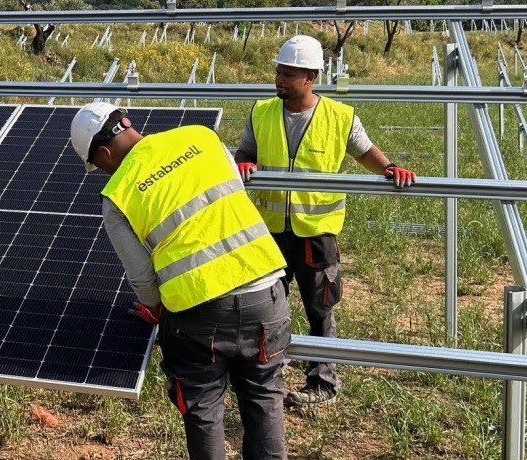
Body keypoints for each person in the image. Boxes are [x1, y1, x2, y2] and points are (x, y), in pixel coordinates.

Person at [70, 101, 291, 460]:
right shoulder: (202, 137)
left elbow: (142, 278)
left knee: (203, 410)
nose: (103, 171)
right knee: (265, 395)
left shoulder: (116, 195)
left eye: (98, 165)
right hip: (266, 290)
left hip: (198, 314)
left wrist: (154, 308)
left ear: (105, 153)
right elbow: (231, 191)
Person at [235, 35, 416, 407]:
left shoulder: (340, 116)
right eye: (278, 72)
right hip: (269, 229)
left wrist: (390, 168)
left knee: (320, 307)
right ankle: (268, 371)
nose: (279, 79)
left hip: (316, 231)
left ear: (310, 77)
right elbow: (245, 152)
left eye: (288, 74)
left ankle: (323, 382)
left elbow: (364, 152)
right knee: (268, 305)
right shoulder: (261, 112)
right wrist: (244, 163)